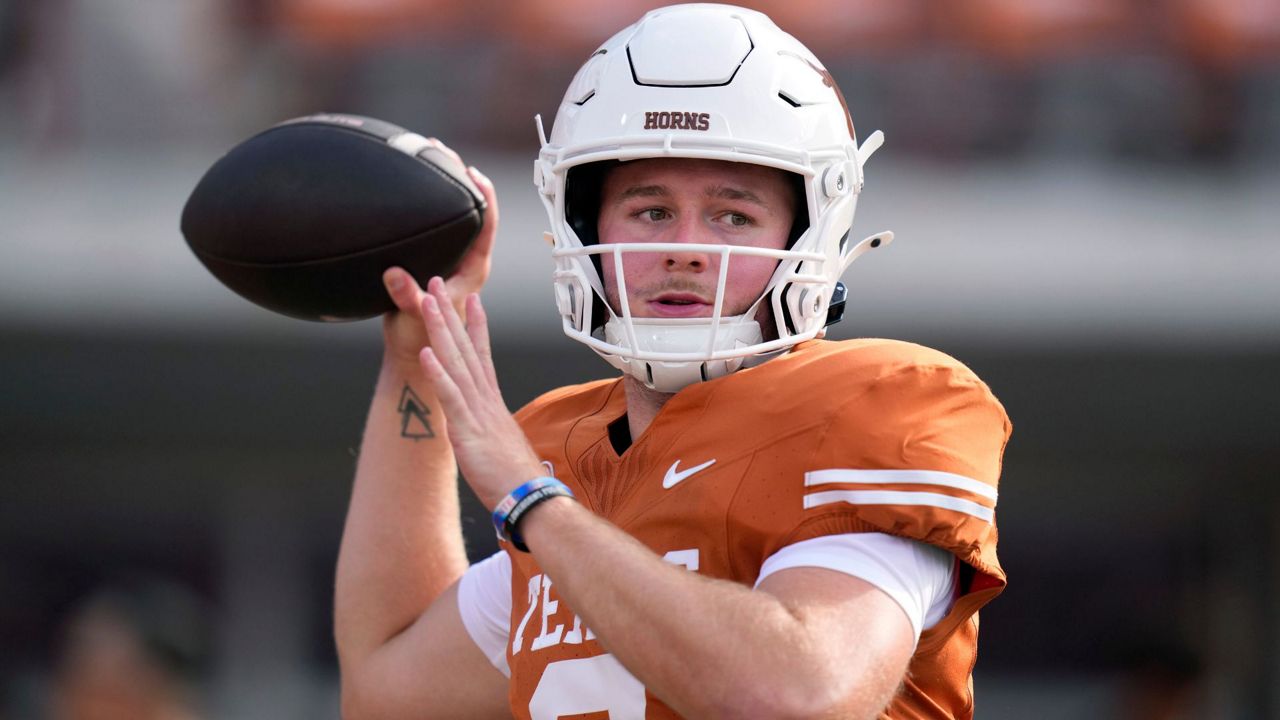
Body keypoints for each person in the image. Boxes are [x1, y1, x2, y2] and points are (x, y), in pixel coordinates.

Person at [334, 4, 1011, 719]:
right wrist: (418, 360)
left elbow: (798, 697)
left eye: (734, 215)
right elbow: (385, 692)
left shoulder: (883, 404)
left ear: (810, 234)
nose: (686, 247)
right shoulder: (565, 457)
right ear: (583, 228)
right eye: (651, 211)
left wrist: (531, 500)